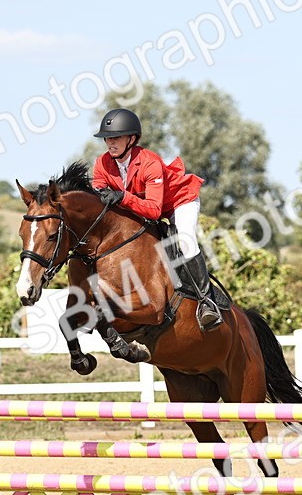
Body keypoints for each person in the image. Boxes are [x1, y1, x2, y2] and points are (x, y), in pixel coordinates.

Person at [90, 108, 223, 332]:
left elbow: (153, 210)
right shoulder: (102, 164)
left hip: (179, 202)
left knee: (185, 239)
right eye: (107, 138)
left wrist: (123, 196)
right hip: (143, 206)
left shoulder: (150, 162)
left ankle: (206, 301)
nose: (110, 143)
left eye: (115, 137)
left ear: (131, 139)